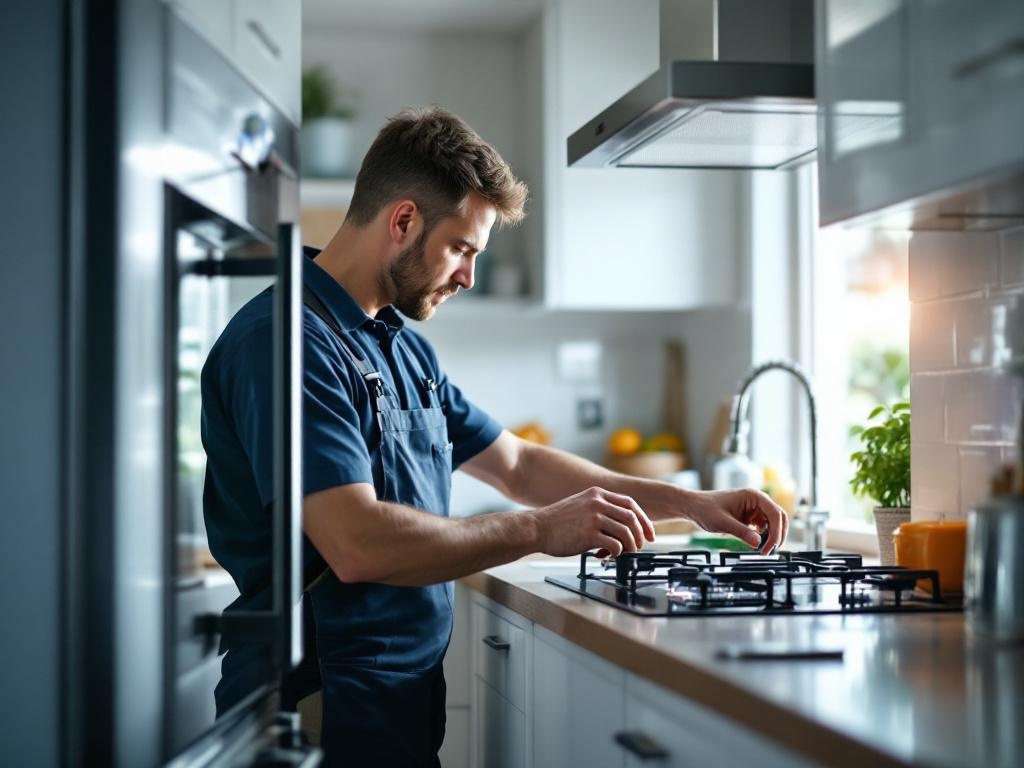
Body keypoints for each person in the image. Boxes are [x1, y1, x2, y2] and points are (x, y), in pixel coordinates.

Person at [201, 106, 787, 767]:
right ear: (403, 221)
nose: (468, 275)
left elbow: (518, 465)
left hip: (396, 702)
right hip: (321, 709)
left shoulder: (401, 350)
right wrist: (537, 531)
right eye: (463, 248)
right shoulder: (286, 343)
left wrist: (689, 502)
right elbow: (357, 543)